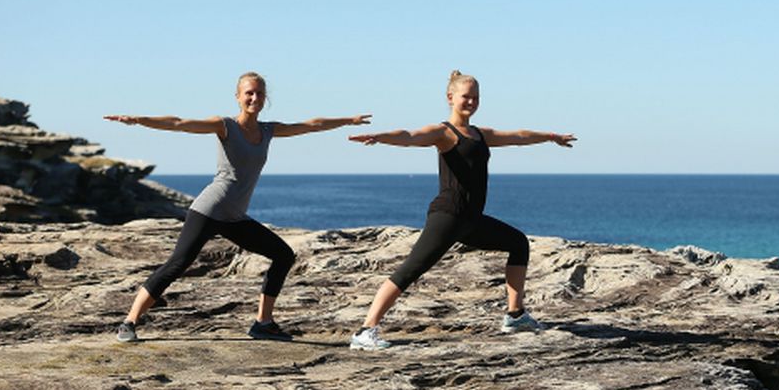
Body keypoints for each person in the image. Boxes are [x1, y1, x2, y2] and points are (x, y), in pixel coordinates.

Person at [105, 72, 371, 342]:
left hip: (234, 217)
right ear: (238, 97)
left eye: (259, 93)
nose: (254, 98)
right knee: (177, 264)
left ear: (265, 98)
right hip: (209, 209)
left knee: (283, 256)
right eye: (249, 93)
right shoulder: (226, 126)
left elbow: (311, 125)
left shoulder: (268, 130)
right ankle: (129, 321)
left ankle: (263, 323)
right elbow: (179, 123)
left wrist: (348, 120)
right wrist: (139, 120)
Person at [347, 70, 576, 350]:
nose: (471, 102)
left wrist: (551, 136)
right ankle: (365, 331)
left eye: (476, 97)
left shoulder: (480, 134)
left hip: (471, 220)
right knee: (410, 271)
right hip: (448, 216)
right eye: (466, 96)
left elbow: (517, 135)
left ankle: (515, 315)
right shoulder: (445, 133)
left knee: (518, 243)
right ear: (450, 97)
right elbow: (411, 135)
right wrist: (381, 136)